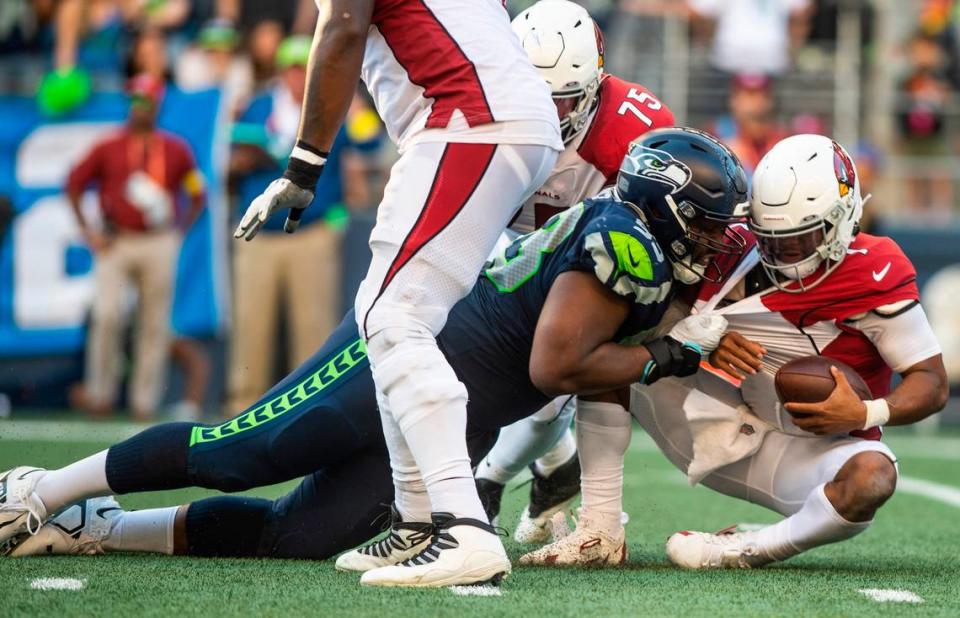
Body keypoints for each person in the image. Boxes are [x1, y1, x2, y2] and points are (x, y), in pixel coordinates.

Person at [1, 130, 744, 580]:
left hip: (453, 414)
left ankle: (95, 528)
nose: (714, 239)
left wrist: (670, 341)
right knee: (244, 451)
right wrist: (669, 356)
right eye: (707, 223)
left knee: (298, 537)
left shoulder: (637, 244)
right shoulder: (624, 246)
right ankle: (45, 489)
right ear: (668, 208)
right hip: (394, 365)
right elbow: (558, 369)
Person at [230, 0, 565, 588]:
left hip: (471, 117)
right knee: (379, 314)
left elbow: (342, 26)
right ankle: (415, 520)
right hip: (502, 116)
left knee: (394, 317)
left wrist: (304, 166)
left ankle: (462, 524)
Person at [520, 134, 948, 568]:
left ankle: (744, 550)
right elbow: (653, 316)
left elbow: (931, 382)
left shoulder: (873, 271)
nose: (784, 255)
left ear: (843, 218)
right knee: (615, 345)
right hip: (710, 421)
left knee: (872, 480)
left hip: (810, 450)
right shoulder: (730, 244)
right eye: (772, 238)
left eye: (800, 240)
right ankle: (600, 530)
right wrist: (701, 341)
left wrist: (866, 414)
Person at [473, 0, 676, 544]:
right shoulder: (481, 100)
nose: (545, 110)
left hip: (583, 260)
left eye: (559, 98)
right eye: (530, 91)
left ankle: (484, 483)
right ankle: (556, 466)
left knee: (552, 382)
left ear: (593, 84)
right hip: (497, 236)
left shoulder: (633, 129)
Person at [226, 35, 380, 413]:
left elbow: (371, 142)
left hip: (313, 232)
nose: (298, 78)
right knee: (251, 326)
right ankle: (243, 407)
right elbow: (232, 159)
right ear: (281, 72)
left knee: (312, 326)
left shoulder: (333, 104)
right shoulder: (258, 106)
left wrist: (356, 106)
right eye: (292, 69)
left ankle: (308, 410)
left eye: (304, 69)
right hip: (258, 236)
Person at [64, 73, 205, 421]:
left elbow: (197, 193)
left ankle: (145, 401)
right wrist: (88, 230)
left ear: (157, 104)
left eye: (147, 100)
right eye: (135, 100)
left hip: (158, 241)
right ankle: (101, 393)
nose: (140, 107)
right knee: (107, 315)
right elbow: (74, 184)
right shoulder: (108, 146)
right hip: (118, 240)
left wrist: (178, 231)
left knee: (154, 322)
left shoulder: (174, 148)